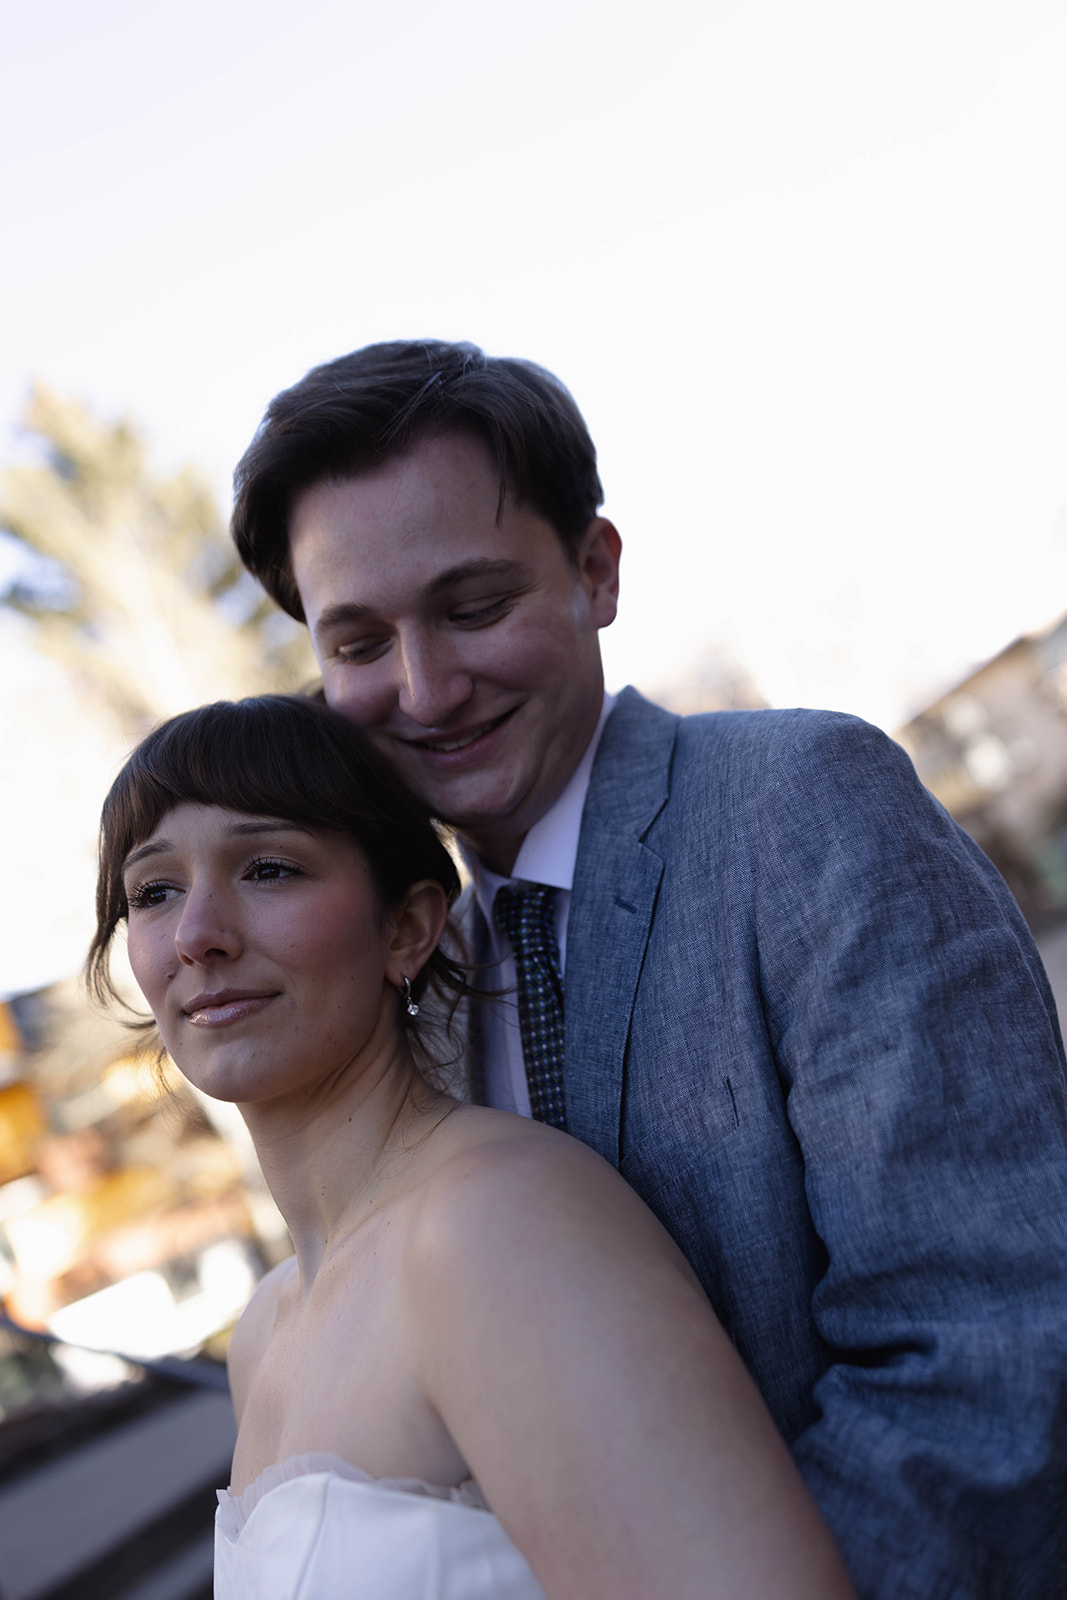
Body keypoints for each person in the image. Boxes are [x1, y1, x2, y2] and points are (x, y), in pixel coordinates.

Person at [231, 339, 1067, 1598]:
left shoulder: (802, 809)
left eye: (473, 607)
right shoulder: (422, 981)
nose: (424, 686)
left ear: (595, 569)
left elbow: (987, 1352)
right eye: (358, 641)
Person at [89, 693, 855, 1600]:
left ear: (408, 928)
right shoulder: (264, 1332)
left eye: (267, 868)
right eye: (155, 891)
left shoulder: (495, 1225)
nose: (198, 936)